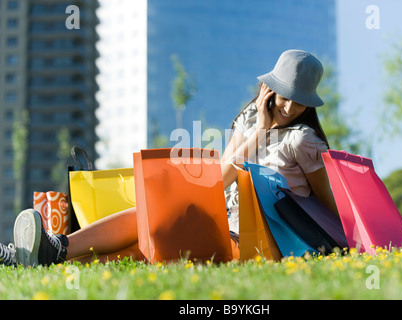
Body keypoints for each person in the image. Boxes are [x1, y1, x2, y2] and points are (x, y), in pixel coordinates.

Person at [0, 49, 337, 267]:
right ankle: (52, 252)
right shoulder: (250, 119)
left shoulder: (303, 141)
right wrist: (259, 129)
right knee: (153, 222)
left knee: (158, 233)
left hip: (262, 243)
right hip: (225, 225)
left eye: (300, 101)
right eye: (285, 96)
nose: (289, 107)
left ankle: (49, 253)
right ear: (270, 89)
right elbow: (219, 181)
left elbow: (329, 209)